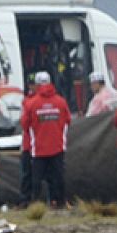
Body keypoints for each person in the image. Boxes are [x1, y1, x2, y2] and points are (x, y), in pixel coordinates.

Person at [20, 69, 71, 207]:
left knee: (36, 179)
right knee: (58, 177)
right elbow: (67, 120)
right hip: (58, 147)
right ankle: (59, 203)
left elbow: (24, 124)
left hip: (38, 149)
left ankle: (35, 204)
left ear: (37, 85)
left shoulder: (31, 103)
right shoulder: (61, 102)